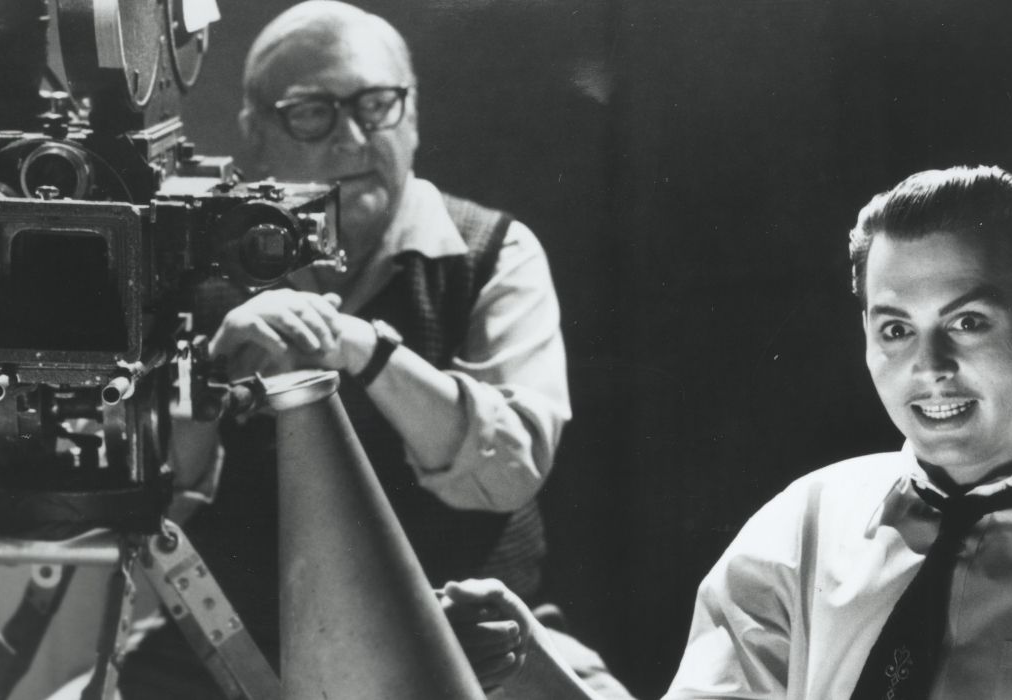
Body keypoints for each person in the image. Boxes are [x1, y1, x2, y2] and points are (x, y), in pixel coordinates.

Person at [443, 165, 1012, 699]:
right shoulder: (803, 528)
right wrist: (530, 664)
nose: (931, 366)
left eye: (970, 321)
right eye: (894, 328)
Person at [109, 2, 627, 697]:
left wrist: (364, 350)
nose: (353, 139)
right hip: (236, 649)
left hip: (463, 642)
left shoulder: (494, 252)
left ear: (413, 120)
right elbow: (157, 510)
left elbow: (512, 471)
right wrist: (207, 376)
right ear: (255, 133)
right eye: (313, 113)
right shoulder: (197, 274)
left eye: (377, 105)